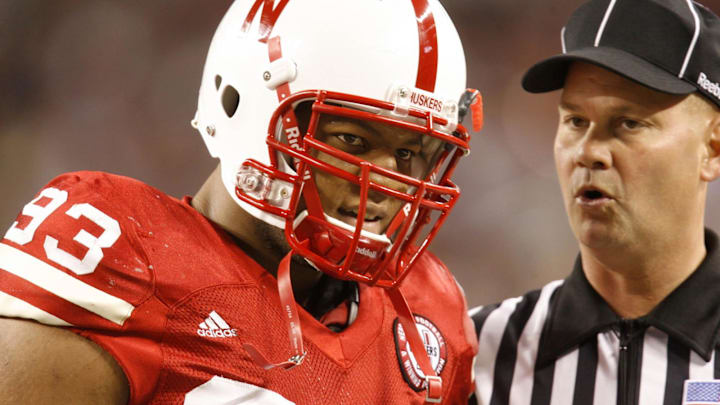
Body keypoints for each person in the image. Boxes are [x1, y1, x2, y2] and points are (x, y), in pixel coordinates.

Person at [0, 1, 483, 404]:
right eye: (352, 141)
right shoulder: (126, 250)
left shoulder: (428, 311)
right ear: (241, 106)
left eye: (407, 153)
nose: (385, 181)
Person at [470, 0, 720, 404]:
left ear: (712, 148)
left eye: (629, 123)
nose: (588, 152)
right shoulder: (478, 351)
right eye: (575, 121)